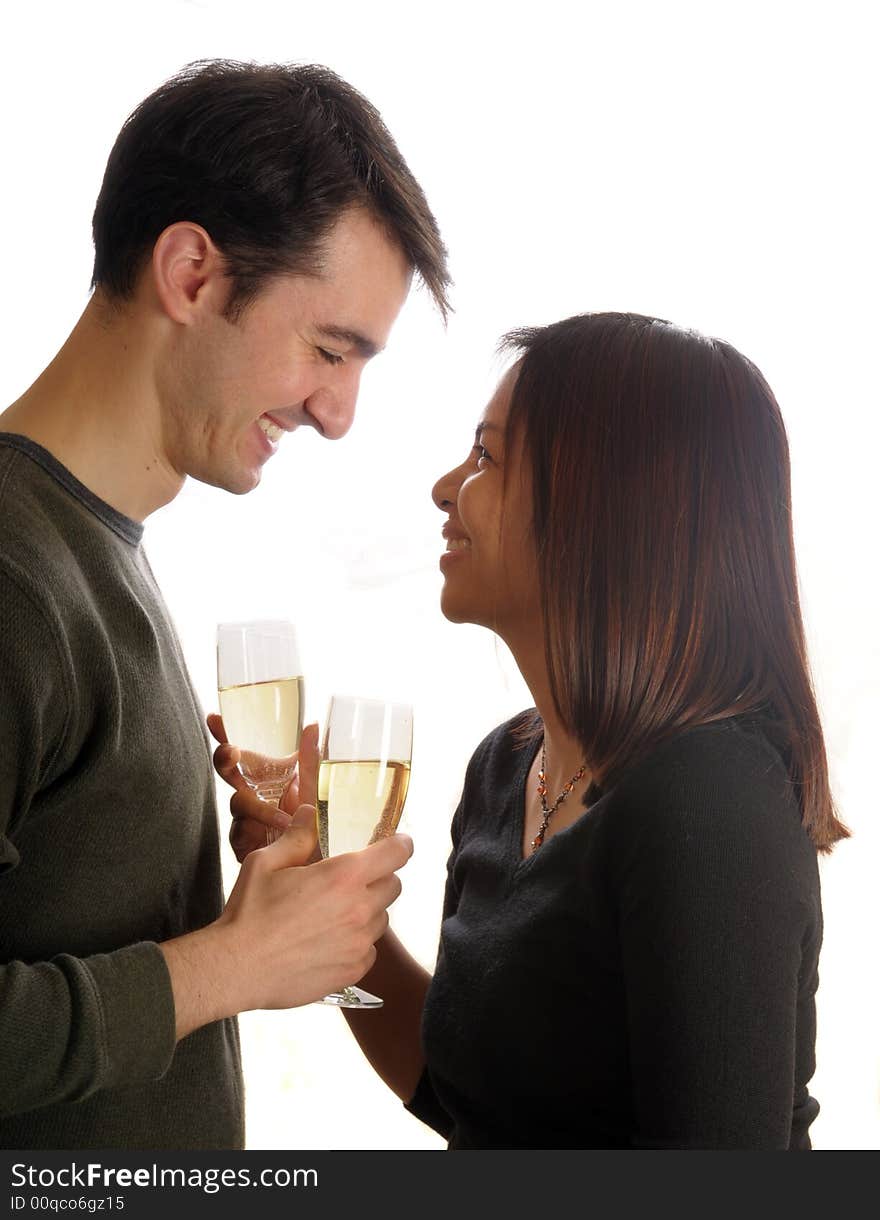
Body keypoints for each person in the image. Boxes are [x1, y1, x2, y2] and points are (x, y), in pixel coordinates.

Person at [222, 311, 848, 1149]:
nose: (446, 486)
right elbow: (459, 1096)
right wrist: (332, 909)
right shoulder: (507, 767)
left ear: (608, 504)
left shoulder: (710, 803)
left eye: (488, 456)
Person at [0, 58, 450, 1150]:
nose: (339, 413)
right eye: (329, 348)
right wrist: (235, 962)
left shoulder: (96, 550)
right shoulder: (16, 572)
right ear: (193, 272)